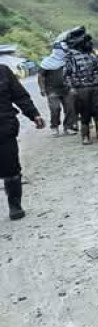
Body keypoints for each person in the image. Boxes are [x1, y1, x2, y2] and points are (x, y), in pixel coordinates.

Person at [0, 63, 45, 220]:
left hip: (4, 128)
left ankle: (15, 205)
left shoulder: (3, 71)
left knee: (10, 168)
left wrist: (34, 114)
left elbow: (19, 95)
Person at [63, 33, 98, 145]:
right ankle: (85, 136)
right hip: (81, 88)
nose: (90, 44)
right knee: (85, 112)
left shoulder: (92, 56)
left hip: (96, 87)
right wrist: (71, 88)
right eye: (87, 42)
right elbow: (66, 75)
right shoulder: (71, 57)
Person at [38, 44, 77, 135]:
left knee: (70, 108)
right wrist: (42, 89)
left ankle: (68, 127)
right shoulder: (47, 62)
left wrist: (73, 86)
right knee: (55, 108)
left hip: (66, 89)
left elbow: (72, 73)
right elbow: (40, 76)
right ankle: (54, 126)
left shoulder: (67, 61)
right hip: (52, 90)